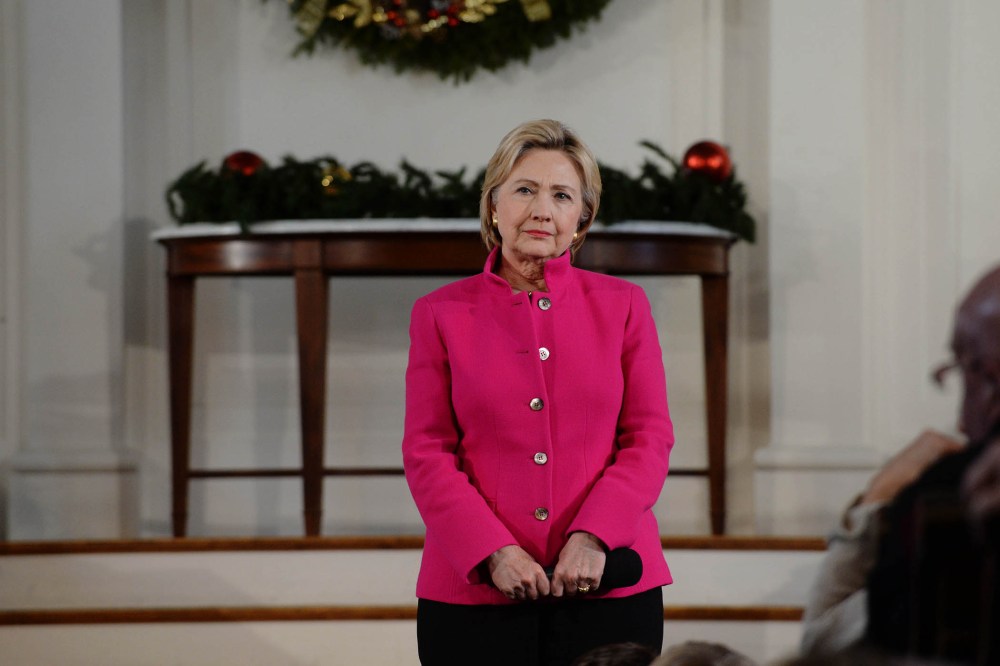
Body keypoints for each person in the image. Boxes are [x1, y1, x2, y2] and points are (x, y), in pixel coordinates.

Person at [402, 119, 674, 666]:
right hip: (475, 593)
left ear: (581, 218)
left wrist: (593, 537)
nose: (542, 210)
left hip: (607, 584)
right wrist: (494, 551)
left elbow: (649, 438)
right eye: (525, 189)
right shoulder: (438, 313)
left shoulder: (625, 305)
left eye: (562, 195)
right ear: (493, 206)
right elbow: (427, 451)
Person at [800, 263, 1000, 661]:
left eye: (960, 370)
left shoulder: (953, 492)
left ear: (989, 377)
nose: (962, 419)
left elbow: (823, 643)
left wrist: (876, 500)